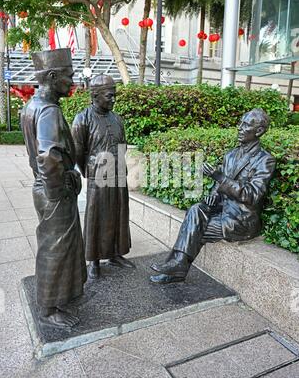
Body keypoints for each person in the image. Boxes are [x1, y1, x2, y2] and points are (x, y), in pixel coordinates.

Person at [150, 108, 276, 284]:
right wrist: (213, 196)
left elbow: (252, 195)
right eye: (240, 123)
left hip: (240, 221)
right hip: (222, 211)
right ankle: (177, 266)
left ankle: (177, 268)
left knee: (193, 229)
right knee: (196, 209)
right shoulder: (231, 154)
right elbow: (218, 188)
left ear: (259, 131)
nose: (239, 127)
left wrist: (219, 177)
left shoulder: (265, 160)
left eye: (245, 125)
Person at [21, 48, 87, 328]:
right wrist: (59, 188)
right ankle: (48, 310)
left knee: (59, 245)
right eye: (68, 76)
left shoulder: (33, 105)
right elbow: (47, 156)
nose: (72, 82)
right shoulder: (47, 111)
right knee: (54, 248)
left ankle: (62, 295)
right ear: (51, 76)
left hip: (49, 188)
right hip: (53, 192)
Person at [72, 74, 133, 279]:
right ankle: (94, 260)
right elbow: (78, 153)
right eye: (109, 96)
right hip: (98, 176)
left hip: (118, 174)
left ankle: (115, 254)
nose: (113, 99)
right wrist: (89, 171)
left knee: (119, 213)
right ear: (95, 95)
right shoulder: (83, 119)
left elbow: (122, 144)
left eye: (114, 95)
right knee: (97, 217)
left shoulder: (117, 118)